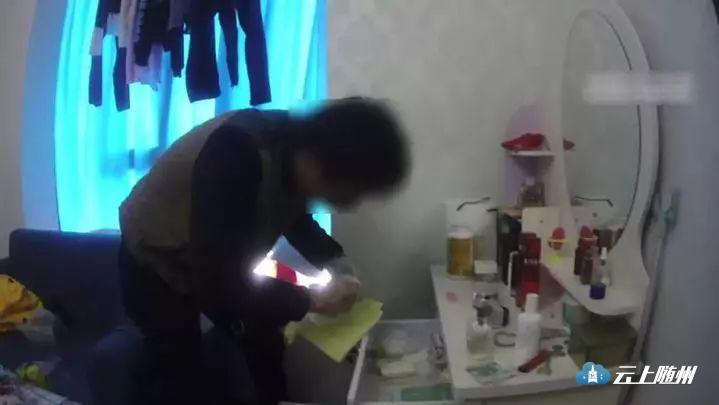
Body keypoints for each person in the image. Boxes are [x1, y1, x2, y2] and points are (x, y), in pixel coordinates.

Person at [117, 97, 409, 404]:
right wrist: (308, 301)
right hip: (154, 257)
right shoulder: (236, 155)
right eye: (348, 193)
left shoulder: (298, 151)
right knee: (180, 373)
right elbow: (222, 279)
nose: (348, 204)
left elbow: (295, 220)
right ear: (320, 166)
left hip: (214, 258)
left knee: (265, 344)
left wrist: (337, 262)